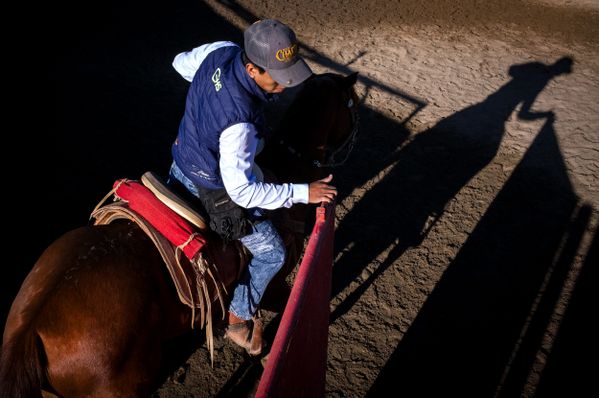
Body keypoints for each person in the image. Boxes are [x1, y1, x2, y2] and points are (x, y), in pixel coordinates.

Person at [167, 19, 337, 355]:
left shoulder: (220, 51)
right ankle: (238, 318)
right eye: (276, 79)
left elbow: (180, 63)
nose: (283, 87)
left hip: (181, 160)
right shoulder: (239, 122)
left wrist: (208, 99)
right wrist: (304, 192)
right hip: (210, 187)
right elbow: (241, 191)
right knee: (273, 252)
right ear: (251, 68)